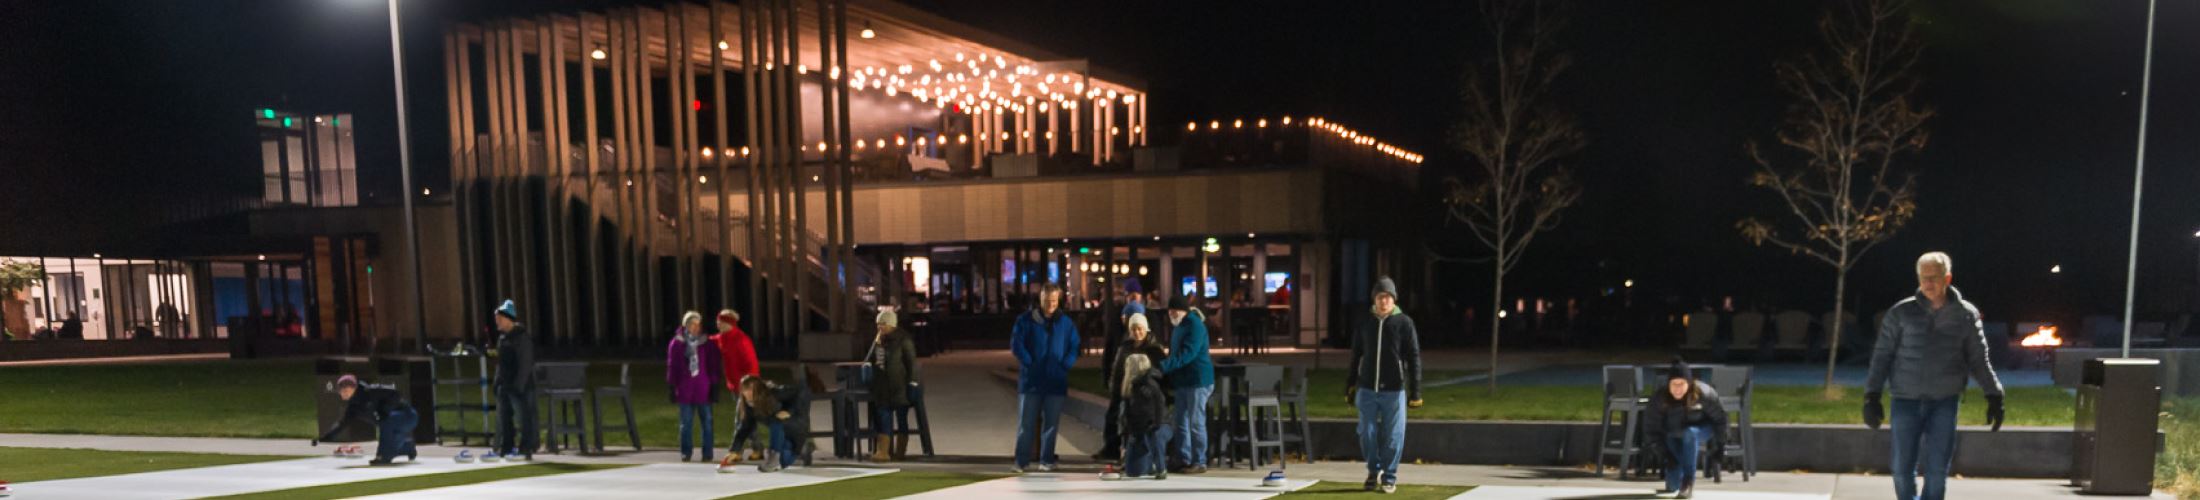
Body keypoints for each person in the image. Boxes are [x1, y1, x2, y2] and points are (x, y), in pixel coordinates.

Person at [1863, 252, 2005, 500]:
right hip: (1905, 400)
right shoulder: (1901, 313)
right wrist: (1871, 396)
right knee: (1901, 469)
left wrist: (1994, 395)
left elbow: (1978, 359)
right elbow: (1882, 355)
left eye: (1934, 278)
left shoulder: (1965, 314)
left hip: (1944, 401)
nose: (1928, 283)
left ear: (1947, 278)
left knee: (1938, 471)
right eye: (1923, 278)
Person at [1346, 277, 1421, 493]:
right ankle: (1373, 470)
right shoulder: (1364, 322)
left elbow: (1414, 357)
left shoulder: (1404, 323)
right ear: (1374, 299)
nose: (1384, 301)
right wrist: (1350, 385)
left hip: (1394, 391)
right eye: (1380, 296)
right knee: (1366, 433)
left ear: (1394, 299)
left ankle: (1389, 476)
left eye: (1387, 296)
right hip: (1367, 389)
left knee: (1393, 435)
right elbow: (1355, 355)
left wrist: (1416, 391)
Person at [1010, 283, 1080, 473]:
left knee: (1051, 424)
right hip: (1031, 382)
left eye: (1054, 301)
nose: (1050, 304)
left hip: (1055, 381)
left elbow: (1074, 346)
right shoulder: (1025, 320)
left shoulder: (1065, 323)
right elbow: (1017, 344)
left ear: (1058, 300)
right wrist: (1029, 363)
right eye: (1047, 301)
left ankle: (1046, 460)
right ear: (1040, 299)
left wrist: (1064, 365)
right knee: (1026, 423)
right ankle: (1021, 460)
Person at [1645, 358, 1726, 499]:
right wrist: (1666, 455)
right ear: (1668, 384)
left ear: (1689, 383)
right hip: (1673, 432)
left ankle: (1689, 480)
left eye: (1681, 384)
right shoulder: (1660, 398)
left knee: (1690, 433)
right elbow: (1651, 429)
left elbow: (1720, 419)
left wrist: (1720, 445)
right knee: (1673, 486)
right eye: (1673, 384)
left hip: (1701, 429)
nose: (1677, 388)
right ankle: (1677, 478)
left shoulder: (1704, 394)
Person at [1157, 295, 1214, 474]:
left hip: (1197, 381)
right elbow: (1176, 353)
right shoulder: (1179, 325)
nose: (1171, 314)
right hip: (1183, 381)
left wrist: (1163, 367)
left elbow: (1188, 354)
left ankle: (1199, 461)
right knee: (1180, 421)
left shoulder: (1195, 325)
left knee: (1195, 422)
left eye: (1174, 310)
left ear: (1183, 310)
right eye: (1169, 310)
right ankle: (1183, 458)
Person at [1100, 311, 1168, 461]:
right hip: (1127, 392)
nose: (1137, 333)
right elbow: (1118, 370)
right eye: (1134, 329)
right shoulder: (1125, 348)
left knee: (1143, 425)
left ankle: (1146, 455)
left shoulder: (1154, 349)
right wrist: (1115, 389)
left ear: (1146, 329)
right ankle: (1123, 452)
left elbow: (1160, 372)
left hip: (1146, 395)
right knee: (1124, 423)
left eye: (1140, 329)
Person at [314, 374, 418, 465]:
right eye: (341, 391)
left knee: (386, 422)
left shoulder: (370, 391)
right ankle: (408, 447)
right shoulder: (354, 407)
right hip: (393, 422)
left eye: (345, 390)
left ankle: (383, 456)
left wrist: (384, 410)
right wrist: (326, 437)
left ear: (353, 388)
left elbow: (396, 394)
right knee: (391, 443)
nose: (343, 393)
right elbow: (342, 423)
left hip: (407, 416)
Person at [667, 311, 724, 462]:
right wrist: (672, 386)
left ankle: (707, 453)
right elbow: (673, 366)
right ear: (686, 325)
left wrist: (715, 385)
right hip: (685, 388)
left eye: (698, 324)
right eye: (692, 324)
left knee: (707, 422)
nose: (695, 327)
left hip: (703, 388)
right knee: (686, 423)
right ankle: (686, 452)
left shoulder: (707, 343)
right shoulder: (677, 343)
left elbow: (713, 365)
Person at [713, 309, 763, 468]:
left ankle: (736, 451)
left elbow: (751, 363)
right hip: (734, 386)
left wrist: (750, 386)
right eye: (718, 321)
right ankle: (757, 448)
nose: (718, 323)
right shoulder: (723, 338)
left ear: (729, 323)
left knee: (740, 420)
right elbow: (712, 340)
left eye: (721, 321)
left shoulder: (741, 340)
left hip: (746, 387)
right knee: (748, 419)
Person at [866, 309, 918, 462]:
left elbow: (911, 364)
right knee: (884, 418)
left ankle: (900, 450)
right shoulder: (880, 342)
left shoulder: (904, 341)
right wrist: (876, 343)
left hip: (899, 387)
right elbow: (869, 359)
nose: (879, 327)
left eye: (882, 324)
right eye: (878, 324)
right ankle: (883, 451)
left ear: (891, 325)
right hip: (883, 389)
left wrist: (913, 383)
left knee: (901, 418)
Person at [489, 299, 536, 461]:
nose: (497, 322)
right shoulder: (502, 339)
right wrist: (497, 381)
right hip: (504, 385)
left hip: (519, 386)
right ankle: (507, 447)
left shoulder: (522, 338)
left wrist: (519, 385)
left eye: (499, 319)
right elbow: (500, 364)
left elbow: (526, 363)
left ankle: (525, 448)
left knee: (524, 417)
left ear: (508, 318)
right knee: (505, 417)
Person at [733, 374, 810, 472]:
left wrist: (789, 411)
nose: (747, 393)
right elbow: (745, 427)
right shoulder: (749, 404)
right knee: (784, 461)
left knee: (776, 423)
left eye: (750, 389)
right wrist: (734, 450)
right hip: (782, 433)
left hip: (795, 424)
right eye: (744, 389)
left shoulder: (774, 393)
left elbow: (802, 391)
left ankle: (776, 457)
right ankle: (799, 450)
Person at [1117, 352, 1171, 480]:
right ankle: (1147, 463)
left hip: (1157, 425)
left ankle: (1160, 467)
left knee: (1154, 436)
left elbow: (1158, 405)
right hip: (1140, 429)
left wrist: (1156, 424)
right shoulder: (1132, 386)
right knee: (1133, 471)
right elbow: (1128, 415)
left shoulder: (1148, 385)